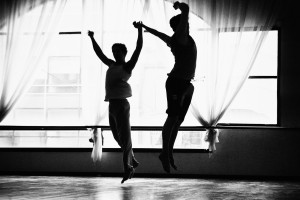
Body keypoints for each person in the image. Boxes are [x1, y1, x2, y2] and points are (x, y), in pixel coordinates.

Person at [141, 2, 197, 173]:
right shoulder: (180, 37)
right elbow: (186, 10)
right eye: (185, 24)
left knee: (178, 121)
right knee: (172, 119)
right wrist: (179, 5)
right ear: (180, 27)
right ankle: (165, 152)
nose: (188, 25)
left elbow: (159, 35)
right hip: (176, 82)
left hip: (185, 84)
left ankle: (168, 152)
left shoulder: (175, 39)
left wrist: (145, 27)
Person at [88, 21, 143, 183]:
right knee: (118, 137)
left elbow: (138, 48)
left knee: (125, 138)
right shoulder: (111, 64)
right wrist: (92, 38)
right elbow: (100, 54)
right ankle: (132, 160)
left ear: (124, 53)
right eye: (113, 51)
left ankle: (128, 169)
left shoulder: (128, 66)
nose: (114, 54)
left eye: (117, 51)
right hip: (112, 104)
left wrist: (140, 30)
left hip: (122, 104)